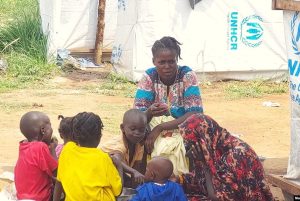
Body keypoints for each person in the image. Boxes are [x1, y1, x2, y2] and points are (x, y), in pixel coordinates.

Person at [133, 36, 203, 173]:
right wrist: (149, 113)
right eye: (162, 62)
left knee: (200, 129)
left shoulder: (187, 75)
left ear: (177, 59)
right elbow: (137, 115)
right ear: (154, 61)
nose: (167, 67)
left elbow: (194, 114)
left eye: (171, 62)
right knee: (134, 132)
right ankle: (143, 177)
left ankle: (185, 179)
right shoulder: (149, 77)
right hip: (153, 127)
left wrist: (160, 128)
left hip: (182, 127)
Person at [176, 113, 274, 201]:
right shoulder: (212, 149)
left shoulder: (236, 155)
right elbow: (200, 181)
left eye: (192, 143)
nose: (190, 147)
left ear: (203, 138)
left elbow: (218, 197)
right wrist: (178, 179)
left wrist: (205, 167)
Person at [53, 112, 123, 201]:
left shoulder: (67, 150)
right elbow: (118, 191)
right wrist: (119, 165)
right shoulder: (103, 158)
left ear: (74, 135)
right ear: (100, 136)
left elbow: (59, 181)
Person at [14, 111, 58, 201]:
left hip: (22, 197)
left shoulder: (23, 145)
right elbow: (57, 172)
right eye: (50, 126)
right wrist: (53, 150)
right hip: (40, 198)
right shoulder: (40, 147)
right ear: (43, 130)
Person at [101, 109, 147, 188]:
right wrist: (133, 171)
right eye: (133, 129)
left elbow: (137, 166)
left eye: (141, 130)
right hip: (100, 172)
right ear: (122, 128)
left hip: (116, 172)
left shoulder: (139, 145)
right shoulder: (119, 144)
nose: (137, 133)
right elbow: (115, 160)